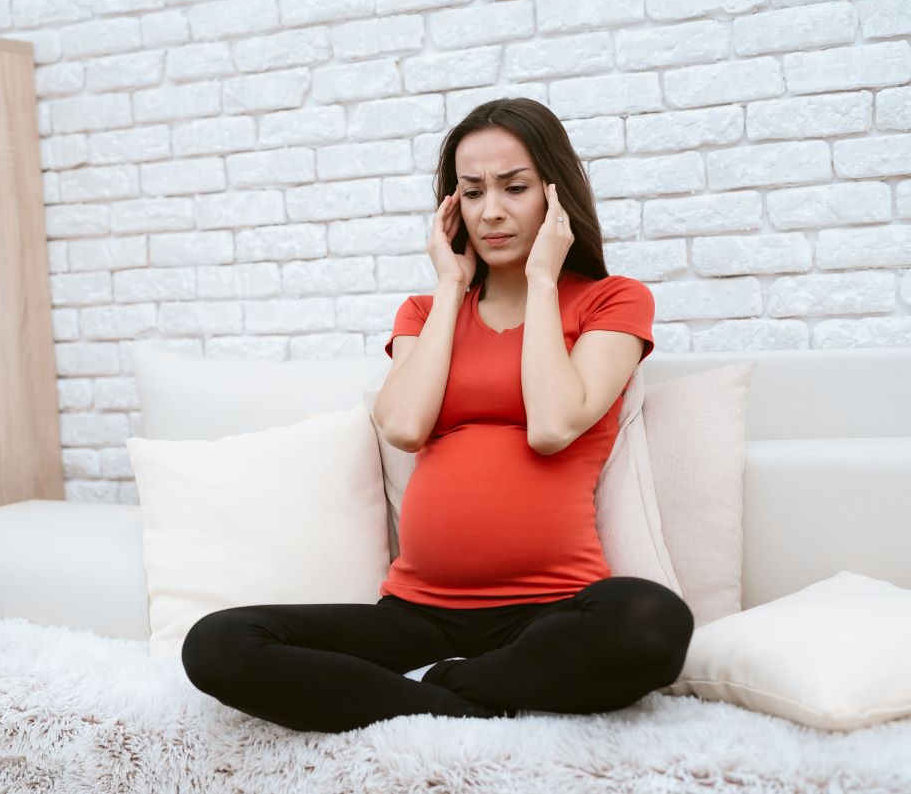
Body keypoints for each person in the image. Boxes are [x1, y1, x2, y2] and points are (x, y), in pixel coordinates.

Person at [180, 97, 695, 734]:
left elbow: (554, 424)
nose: (492, 211)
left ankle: (452, 687)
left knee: (652, 622)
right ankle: (465, 704)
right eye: (472, 192)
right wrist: (452, 286)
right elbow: (402, 425)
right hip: (416, 616)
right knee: (218, 642)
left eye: (515, 187)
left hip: (551, 611)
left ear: (556, 196)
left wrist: (542, 281)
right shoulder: (426, 312)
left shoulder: (611, 300)